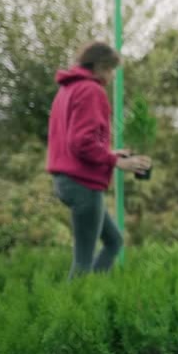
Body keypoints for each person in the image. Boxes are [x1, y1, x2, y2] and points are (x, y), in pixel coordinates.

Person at [46, 41, 151, 278]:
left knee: (114, 241)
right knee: (82, 262)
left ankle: (95, 294)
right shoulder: (91, 90)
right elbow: (82, 142)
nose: (112, 76)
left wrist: (111, 154)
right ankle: (75, 306)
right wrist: (117, 162)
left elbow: (74, 141)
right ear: (101, 66)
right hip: (82, 184)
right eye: (112, 70)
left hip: (66, 180)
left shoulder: (67, 90)